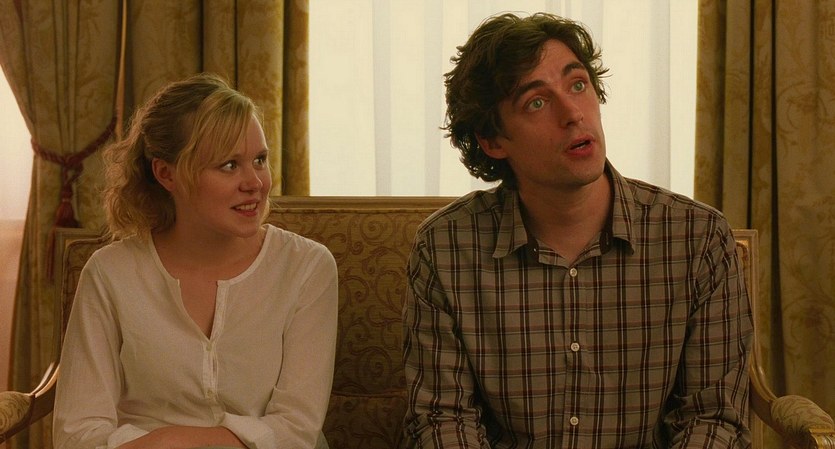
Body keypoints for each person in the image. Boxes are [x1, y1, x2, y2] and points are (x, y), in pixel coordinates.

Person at [401, 12, 752, 449]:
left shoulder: (697, 238)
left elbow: (713, 418)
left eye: (578, 85)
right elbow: (442, 419)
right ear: (493, 141)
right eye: (536, 102)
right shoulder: (445, 248)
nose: (572, 113)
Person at [53, 73, 338, 449]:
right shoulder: (110, 273)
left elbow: (296, 429)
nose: (255, 182)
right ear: (166, 174)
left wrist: (168, 442)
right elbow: (77, 433)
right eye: (229, 165)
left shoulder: (307, 267)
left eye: (259, 160)